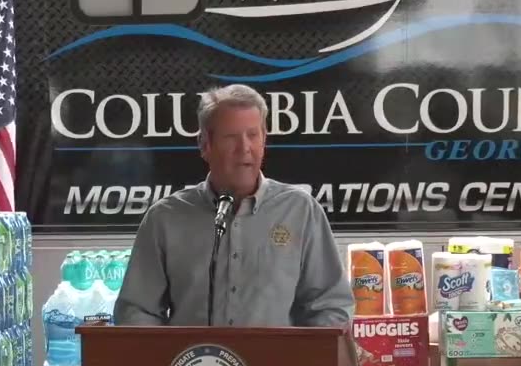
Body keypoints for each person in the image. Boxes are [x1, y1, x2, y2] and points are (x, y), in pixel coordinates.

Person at [114, 84, 353, 327]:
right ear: (205, 144)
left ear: (264, 140)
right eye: (231, 137)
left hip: (277, 365)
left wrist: (300, 360)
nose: (244, 148)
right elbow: (136, 311)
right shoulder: (165, 218)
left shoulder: (300, 212)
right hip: (193, 364)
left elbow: (331, 307)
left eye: (253, 135)